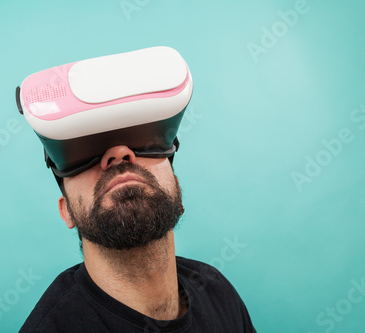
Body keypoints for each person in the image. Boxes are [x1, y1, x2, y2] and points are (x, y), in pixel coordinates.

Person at [16, 47, 256, 332]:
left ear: (177, 189)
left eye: (144, 140)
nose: (119, 153)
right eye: (82, 153)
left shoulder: (216, 291)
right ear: (67, 211)